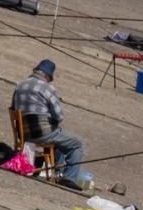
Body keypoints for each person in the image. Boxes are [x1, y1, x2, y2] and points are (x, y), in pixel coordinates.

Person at [10, 60, 86, 190]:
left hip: (24, 134)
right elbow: (59, 116)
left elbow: (13, 108)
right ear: (47, 76)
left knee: (60, 139)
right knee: (77, 143)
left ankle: (56, 171)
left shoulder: (20, 85)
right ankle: (69, 177)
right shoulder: (47, 88)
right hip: (42, 134)